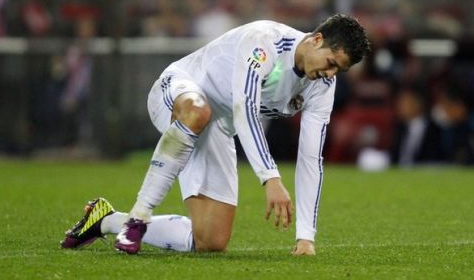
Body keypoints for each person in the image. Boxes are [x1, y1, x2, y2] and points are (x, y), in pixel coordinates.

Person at [61, 13, 370, 255]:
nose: (330, 75)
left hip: (217, 126)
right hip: (178, 92)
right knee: (198, 110)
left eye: (338, 71)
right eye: (331, 63)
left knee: (210, 240)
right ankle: (139, 218)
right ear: (316, 39)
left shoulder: (322, 86)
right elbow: (244, 109)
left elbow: (311, 158)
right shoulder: (265, 42)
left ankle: (107, 220)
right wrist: (270, 177)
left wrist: (306, 237)